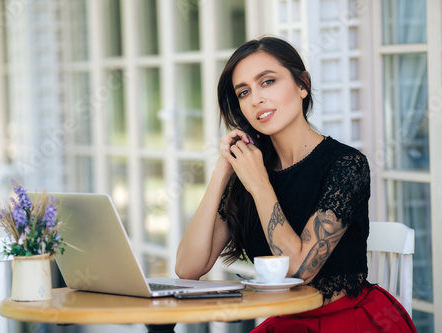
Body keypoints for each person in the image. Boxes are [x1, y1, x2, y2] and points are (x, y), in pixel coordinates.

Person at [175, 36, 416, 332]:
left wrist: (260, 184)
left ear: (302, 85)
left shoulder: (346, 165)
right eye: (243, 92)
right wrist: (222, 170)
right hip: (286, 323)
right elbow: (188, 269)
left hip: (347, 321)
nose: (255, 99)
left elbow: (300, 271)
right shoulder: (248, 171)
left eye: (267, 82)